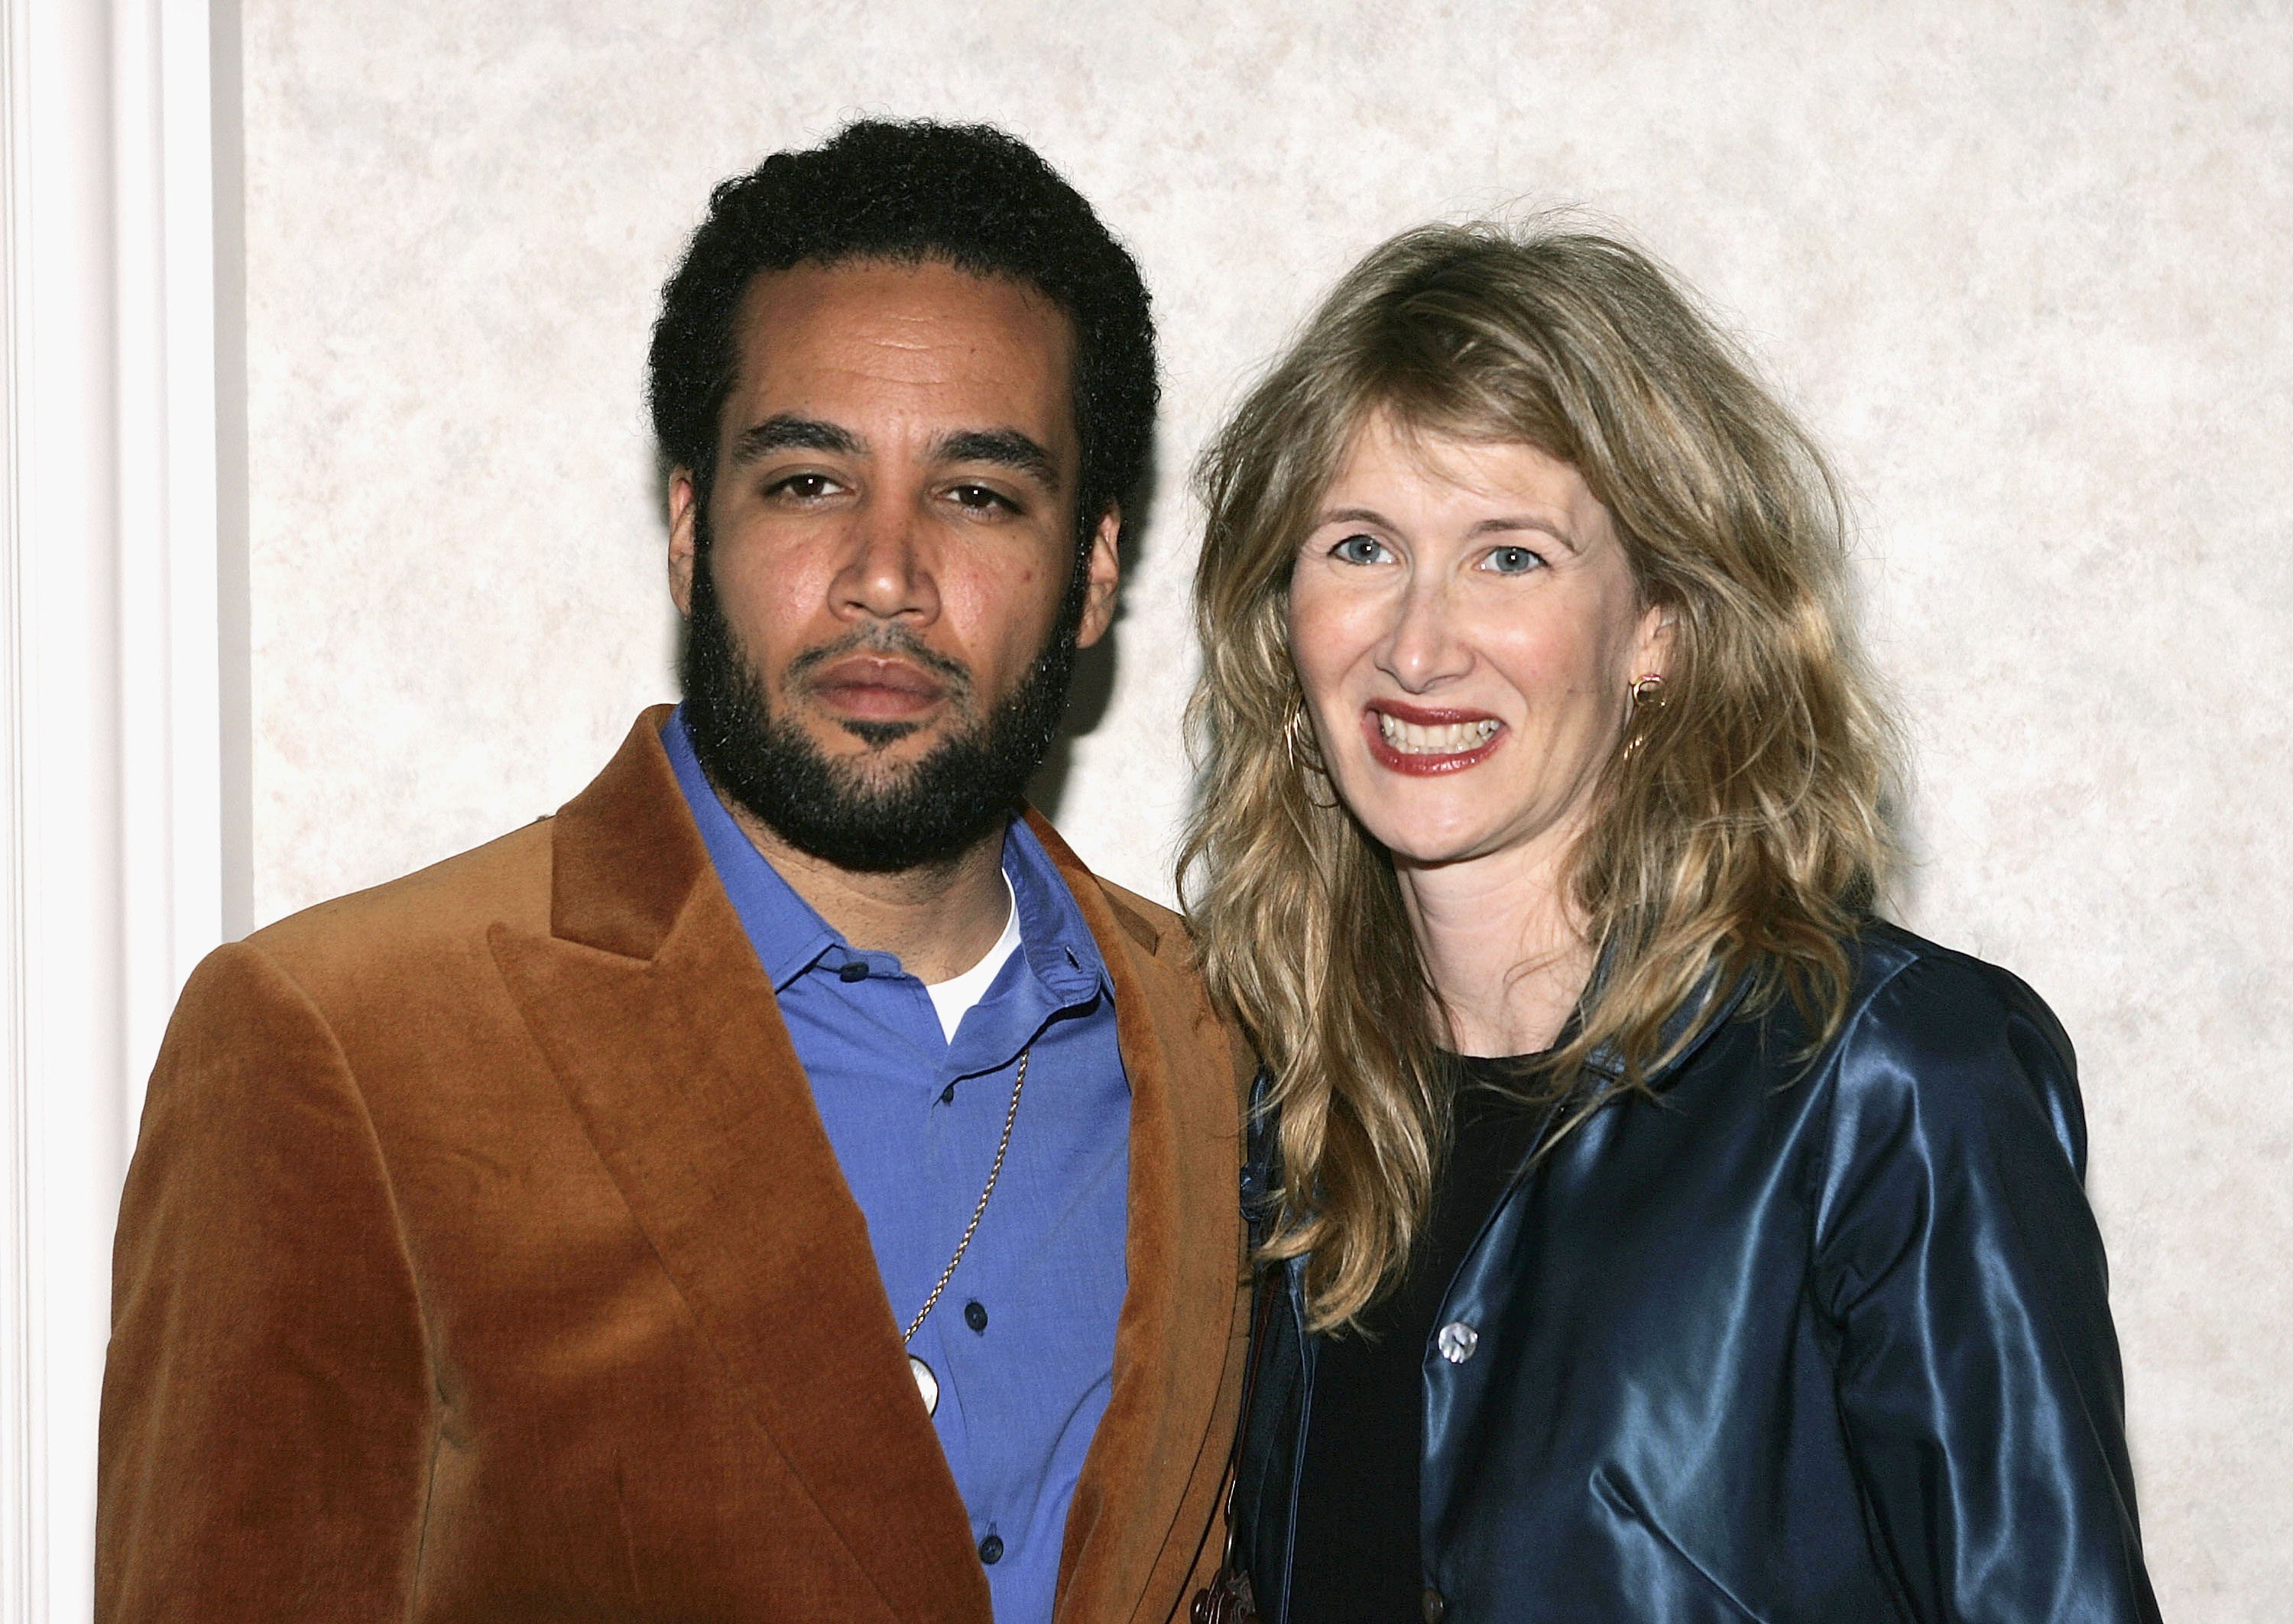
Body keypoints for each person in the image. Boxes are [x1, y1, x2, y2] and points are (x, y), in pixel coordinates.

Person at [99, 120, 1251, 1624]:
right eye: (807, 483)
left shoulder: (1231, 1045)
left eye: (977, 494)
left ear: (1094, 566)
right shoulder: (346, 1046)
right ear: (690, 526)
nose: (886, 575)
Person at [1182, 222, 2160, 1622]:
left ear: (1662, 628)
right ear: (1285, 618)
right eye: (1360, 547)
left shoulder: (1890, 1084)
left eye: (1509, 557)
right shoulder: (1266, 1113)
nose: (1415, 642)